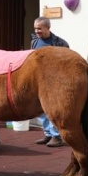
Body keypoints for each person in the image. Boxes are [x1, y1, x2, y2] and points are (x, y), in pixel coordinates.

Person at [31, 16, 70, 147]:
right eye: (35, 28)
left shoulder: (60, 43)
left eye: (40, 29)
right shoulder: (34, 42)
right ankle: (48, 134)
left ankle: (56, 136)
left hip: (55, 82)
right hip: (39, 81)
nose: (37, 31)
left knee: (52, 110)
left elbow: (67, 63)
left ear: (48, 28)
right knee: (41, 110)